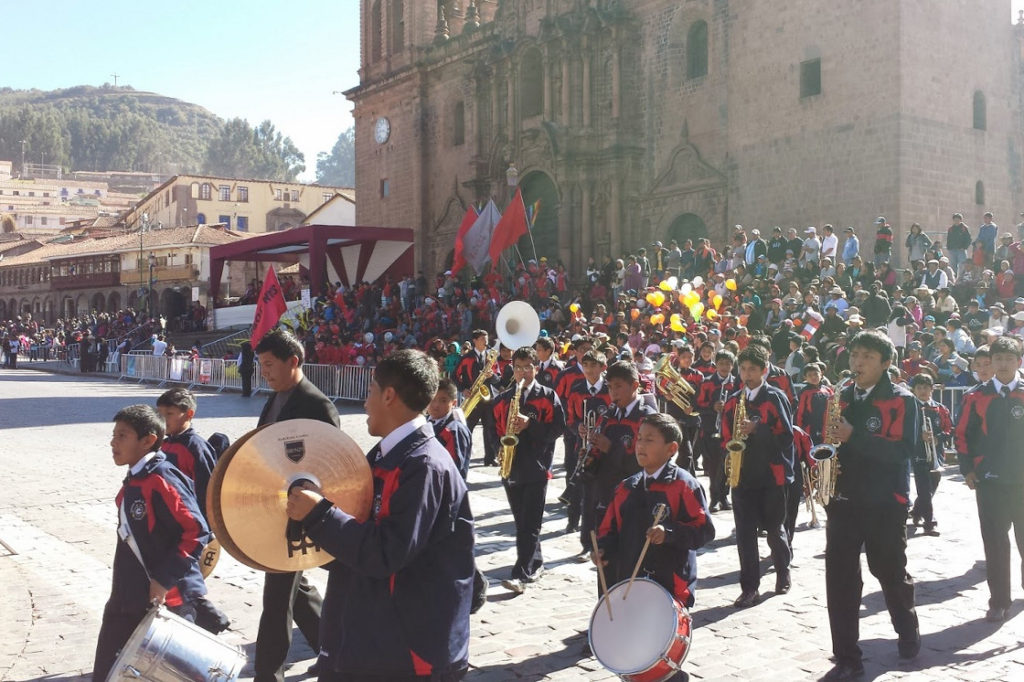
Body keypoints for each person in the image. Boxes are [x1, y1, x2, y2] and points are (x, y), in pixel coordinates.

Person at [286, 349, 474, 679]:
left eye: (370, 390)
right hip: (375, 636)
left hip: (407, 649)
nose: (365, 402)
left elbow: (386, 552)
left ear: (389, 396)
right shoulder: (388, 454)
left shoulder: (423, 466)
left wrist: (320, 514)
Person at [820, 329, 920, 682]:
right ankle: (847, 656)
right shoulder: (841, 396)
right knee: (840, 579)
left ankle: (907, 628)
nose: (858, 362)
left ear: (886, 363)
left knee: (889, 571)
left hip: (885, 502)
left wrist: (855, 436)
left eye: (867, 357)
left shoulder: (902, 400)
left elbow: (903, 451)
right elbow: (830, 441)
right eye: (855, 355)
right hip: (844, 500)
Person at [92, 405, 210, 681]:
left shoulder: (161, 477)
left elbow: (196, 531)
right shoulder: (137, 475)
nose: (113, 442)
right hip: (127, 596)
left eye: (122, 436)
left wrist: (163, 580)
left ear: (148, 440)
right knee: (109, 671)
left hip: (163, 597)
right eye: (114, 435)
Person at [254, 329, 340, 682]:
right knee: (296, 589)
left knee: (276, 599)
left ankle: (267, 674)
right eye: (261, 365)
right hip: (276, 508)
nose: (265, 373)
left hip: (301, 514)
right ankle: (333, 650)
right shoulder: (275, 398)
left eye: (269, 365)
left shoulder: (316, 404)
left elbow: (333, 462)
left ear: (293, 361)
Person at [595, 413, 716, 610]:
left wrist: (668, 533)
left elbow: (704, 530)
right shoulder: (626, 487)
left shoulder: (684, 485)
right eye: (639, 438)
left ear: (671, 449)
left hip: (669, 585)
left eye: (649, 440)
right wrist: (602, 549)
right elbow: (608, 529)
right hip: (629, 581)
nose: (640, 445)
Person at [954, 336, 1024, 623]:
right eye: (998, 359)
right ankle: (999, 602)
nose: (1004, 364)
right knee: (995, 544)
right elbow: (962, 434)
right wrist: (967, 469)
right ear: (991, 362)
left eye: (1009, 359)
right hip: (990, 481)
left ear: (1019, 361)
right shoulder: (975, 396)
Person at [720, 345, 795, 608]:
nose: (747, 374)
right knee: (745, 534)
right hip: (742, 475)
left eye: (752, 369)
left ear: (764, 370)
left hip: (771, 475)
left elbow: (786, 436)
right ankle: (749, 587)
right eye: (743, 369)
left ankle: (783, 570)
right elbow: (725, 435)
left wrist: (757, 429)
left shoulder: (775, 397)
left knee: (774, 529)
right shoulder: (733, 400)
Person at [494, 346, 566, 594]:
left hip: (536, 466)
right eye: (518, 368)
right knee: (521, 521)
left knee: (530, 523)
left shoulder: (548, 395)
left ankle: (520, 574)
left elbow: (558, 428)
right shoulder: (503, 398)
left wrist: (530, 424)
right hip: (511, 467)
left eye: (527, 367)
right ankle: (536, 562)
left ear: (536, 368)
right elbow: (493, 429)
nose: (522, 372)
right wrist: (498, 448)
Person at [580, 361, 657, 565]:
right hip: (606, 495)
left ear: (635, 386)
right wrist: (590, 456)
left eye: (618, 386)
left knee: (630, 558)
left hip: (634, 499)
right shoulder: (608, 415)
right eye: (610, 387)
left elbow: (646, 464)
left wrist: (610, 448)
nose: (613, 392)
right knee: (605, 559)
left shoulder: (647, 418)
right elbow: (599, 457)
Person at [696, 350, 740, 511]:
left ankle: (724, 497)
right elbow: (697, 405)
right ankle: (714, 498)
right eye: (721, 363)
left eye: (728, 364)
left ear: (732, 366)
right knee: (714, 467)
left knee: (728, 465)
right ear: (716, 365)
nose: (724, 367)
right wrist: (712, 407)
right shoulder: (707, 382)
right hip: (710, 430)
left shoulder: (737, 383)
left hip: (730, 431)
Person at [907, 374, 951, 536]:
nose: (922, 391)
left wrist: (938, 438)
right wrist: (920, 436)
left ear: (932, 389)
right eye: (919, 388)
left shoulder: (940, 409)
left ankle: (917, 511)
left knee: (932, 485)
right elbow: (904, 430)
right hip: (918, 453)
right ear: (913, 390)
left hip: (936, 453)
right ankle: (929, 523)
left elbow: (950, 428)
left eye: (926, 387)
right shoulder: (910, 408)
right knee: (924, 489)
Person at [454, 329, 498, 466]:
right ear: (475, 341)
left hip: (487, 398)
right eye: (483, 339)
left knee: (489, 428)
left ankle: (490, 458)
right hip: (472, 397)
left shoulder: (491, 357)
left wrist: (492, 376)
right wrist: (463, 389)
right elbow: (455, 375)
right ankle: (463, 456)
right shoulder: (466, 358)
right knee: (468, 429)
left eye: (486, 339)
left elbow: (498, 378)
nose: (486, 342)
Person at [428, 377, 471, 479]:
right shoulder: (424, 423)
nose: (436, 405)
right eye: (432, 399)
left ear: (454, 403)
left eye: (443, 401)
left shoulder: (455, 430)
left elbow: (453, 468)